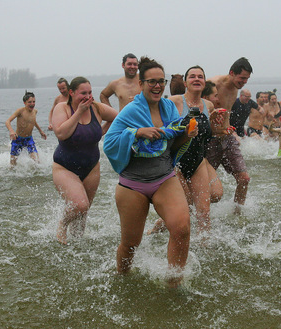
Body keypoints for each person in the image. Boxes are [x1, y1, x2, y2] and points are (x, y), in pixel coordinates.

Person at [103, 57, 197, 287]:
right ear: (141, 84)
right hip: (132, 184)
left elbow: (173, 141)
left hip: (164, 178)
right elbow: (109, 142)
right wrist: (136, 133)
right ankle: (122, 280)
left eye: (161, 82)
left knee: (182, 228)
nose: (157, 86)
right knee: (131, 243)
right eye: (151, 82)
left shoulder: (168, 108)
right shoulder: (130, 111)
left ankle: (174, 283)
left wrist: (187, 134)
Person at [149, 65, 223, 234]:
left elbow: (208, 134)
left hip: (198, 162)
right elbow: (157, 120)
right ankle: (158, 227)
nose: (197, 79)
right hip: (176, 162)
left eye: (200, 76)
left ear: (204, 82)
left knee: (204, 213)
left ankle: (205, 251)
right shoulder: (174, 101)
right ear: (185, 82)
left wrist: (222, 130)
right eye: (192, 76)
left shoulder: (209, 105)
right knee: (187, 208)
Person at [52, 77, 117, 245]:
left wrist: (101, 131)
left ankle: (76, 246)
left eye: (89, 92)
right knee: (79, 205)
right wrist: (79, 111)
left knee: (83, 213)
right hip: (64, 167)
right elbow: (61, 133)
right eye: (83, 93)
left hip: (91, 168)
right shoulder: (62, 108)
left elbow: (119, 117)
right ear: (72, 93)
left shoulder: (96, 108)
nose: (87, 96)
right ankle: (62, 224)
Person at [206, 57, 253, 214]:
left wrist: (230, 131)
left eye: (247, 79)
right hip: (209, 140)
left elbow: (225, 114)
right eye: (242, 78)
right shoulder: (212, 84)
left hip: (227, 138)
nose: (244, 82)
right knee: (201, 185)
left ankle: (236, 214)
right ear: (232, 73)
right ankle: (168, 220)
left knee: (244, 179)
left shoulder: (235, 88)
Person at [5, 91, 47, 166]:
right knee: (13, 164)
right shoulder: (20, 111)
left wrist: (40, 131)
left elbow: (33, 121)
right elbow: (7, 121)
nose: (32, 104)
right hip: (18, 139)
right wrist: (11, 131)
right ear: (24, 103)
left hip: (29, 139)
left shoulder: (35, 111)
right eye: (29, 102)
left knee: (36, 161)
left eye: (34, 102)